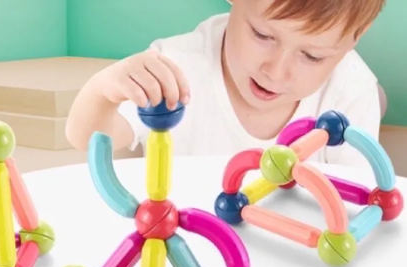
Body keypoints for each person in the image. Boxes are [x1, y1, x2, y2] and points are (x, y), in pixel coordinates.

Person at [66, 0, 385, 167]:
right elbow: (87, 139)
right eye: (263, 35)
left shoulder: (352, 90)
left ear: (357, 35)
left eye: (312, 56)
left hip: (296, 247)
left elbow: (359, 200)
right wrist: (102, 90)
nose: (275, 72)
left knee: (369, 101)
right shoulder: (178, 65)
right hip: (194, 246)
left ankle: (379, 102)